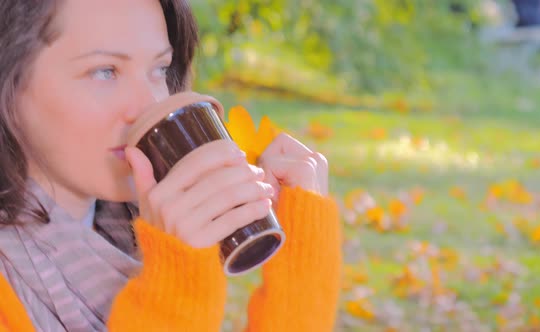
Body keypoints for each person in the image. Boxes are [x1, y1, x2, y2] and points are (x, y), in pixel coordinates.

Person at [0, 0, 342, 331]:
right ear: (9, 83)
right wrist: (175, 287)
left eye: (160, 69)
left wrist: (301, 268)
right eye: (105, 71)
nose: (149, 104)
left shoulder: (131, 232)